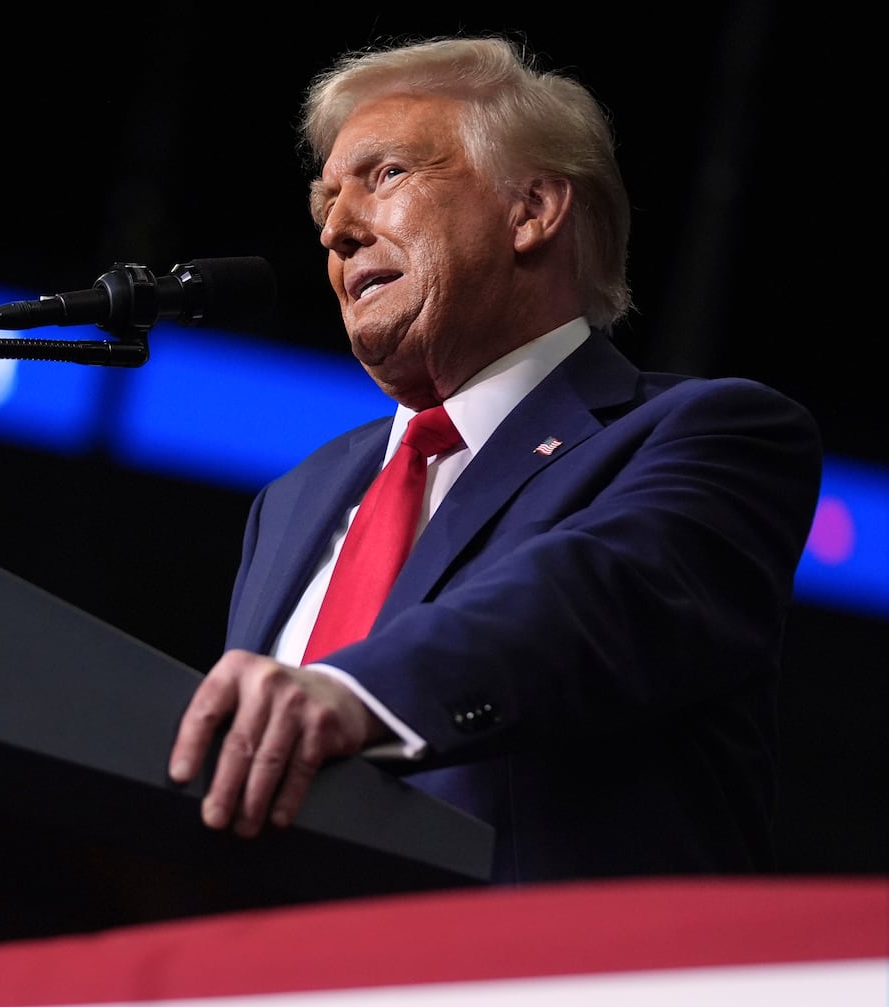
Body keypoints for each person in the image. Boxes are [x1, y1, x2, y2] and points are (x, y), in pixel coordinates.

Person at [165, 35, 822, 883]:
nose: (336, 227)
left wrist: (355, 695)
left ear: (533, 210)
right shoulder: (296, 498)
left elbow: (592, 598)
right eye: (326, 198)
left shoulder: (713, 433)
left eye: (387, 174)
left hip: (540, 990)